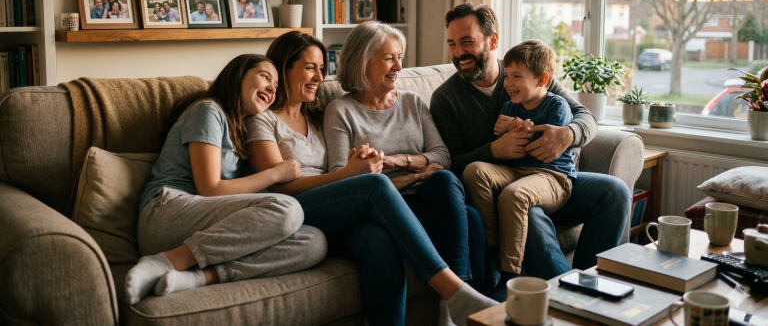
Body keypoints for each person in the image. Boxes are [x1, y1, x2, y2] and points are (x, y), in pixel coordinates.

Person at [248, 31, 496, 326]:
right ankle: (452, 292)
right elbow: (278, 185)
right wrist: (358, 174)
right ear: (283, 68)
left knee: (443, 222)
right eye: (310, 68)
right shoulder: (265, 119)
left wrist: (382, 168)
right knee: (376, 189)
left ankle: (478, 312)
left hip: (350, 203)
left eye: (321, 69)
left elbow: (439, 156)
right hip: (298, 209)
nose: (319, 77)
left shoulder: (313, 115)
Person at [430, 3, 630, 290]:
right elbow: (450, 163)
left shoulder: (525, 73)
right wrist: (494, 150)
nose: (459, 52)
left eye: (467, 41)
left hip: (548, 177)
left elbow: (586, 116)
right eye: (452, 44)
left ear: (493, 41)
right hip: (504, 187)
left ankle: (590, 283)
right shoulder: (446, 99)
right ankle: (569, 296)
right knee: (528, 212)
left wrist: (568, 134)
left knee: (615, 192)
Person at [125, 54, 327, 306]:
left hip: (204, 225)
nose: (272, 88)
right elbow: (209, 189)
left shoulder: (240, 128)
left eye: (276, 84)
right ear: (238, 76)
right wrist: (275, 173)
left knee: (313, 241)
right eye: (265, 77)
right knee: (287, 209)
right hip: (166, 213)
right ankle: (163, 261)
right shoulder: (209, 110)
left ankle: (198, 277)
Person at [472, 39, 578, 278]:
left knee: (514, 194)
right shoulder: (510, 107)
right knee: (475, 170)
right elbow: (507, 146)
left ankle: (509, 270)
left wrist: (517, 127)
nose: (508, 83)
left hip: (551, 176)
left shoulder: (556, 105)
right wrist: (505, 133)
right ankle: (491, 247)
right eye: (507, 76)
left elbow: (544, 147)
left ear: (542, 80)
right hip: (515, 171)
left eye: (516, 77)